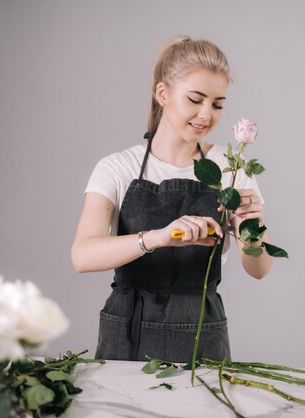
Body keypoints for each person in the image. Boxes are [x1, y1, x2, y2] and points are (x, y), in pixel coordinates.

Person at [71, 35, 274, 363]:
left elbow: (260, 268)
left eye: (218, 104)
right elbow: (82, 256)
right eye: (195, 99)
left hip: (202, 334)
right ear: (162, 93)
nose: (206, 115)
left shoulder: (231, 168)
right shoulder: (117, 167)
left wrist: (253, 228)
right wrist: (159, 238)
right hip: (128, 332)